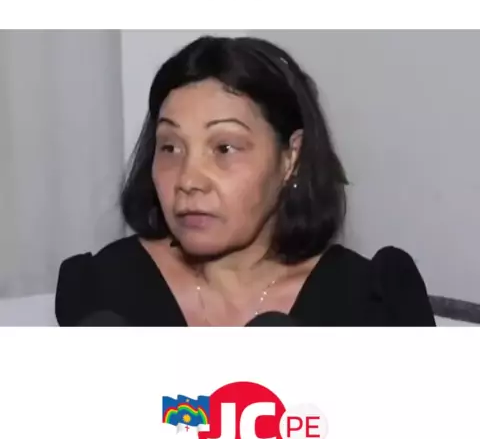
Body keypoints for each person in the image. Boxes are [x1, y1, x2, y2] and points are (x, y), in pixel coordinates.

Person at [55, 35, 435, 327]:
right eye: (170, 147)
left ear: (291, 157)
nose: (188, 180)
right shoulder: (103, 289)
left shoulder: (373, 303)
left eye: (224, 148)